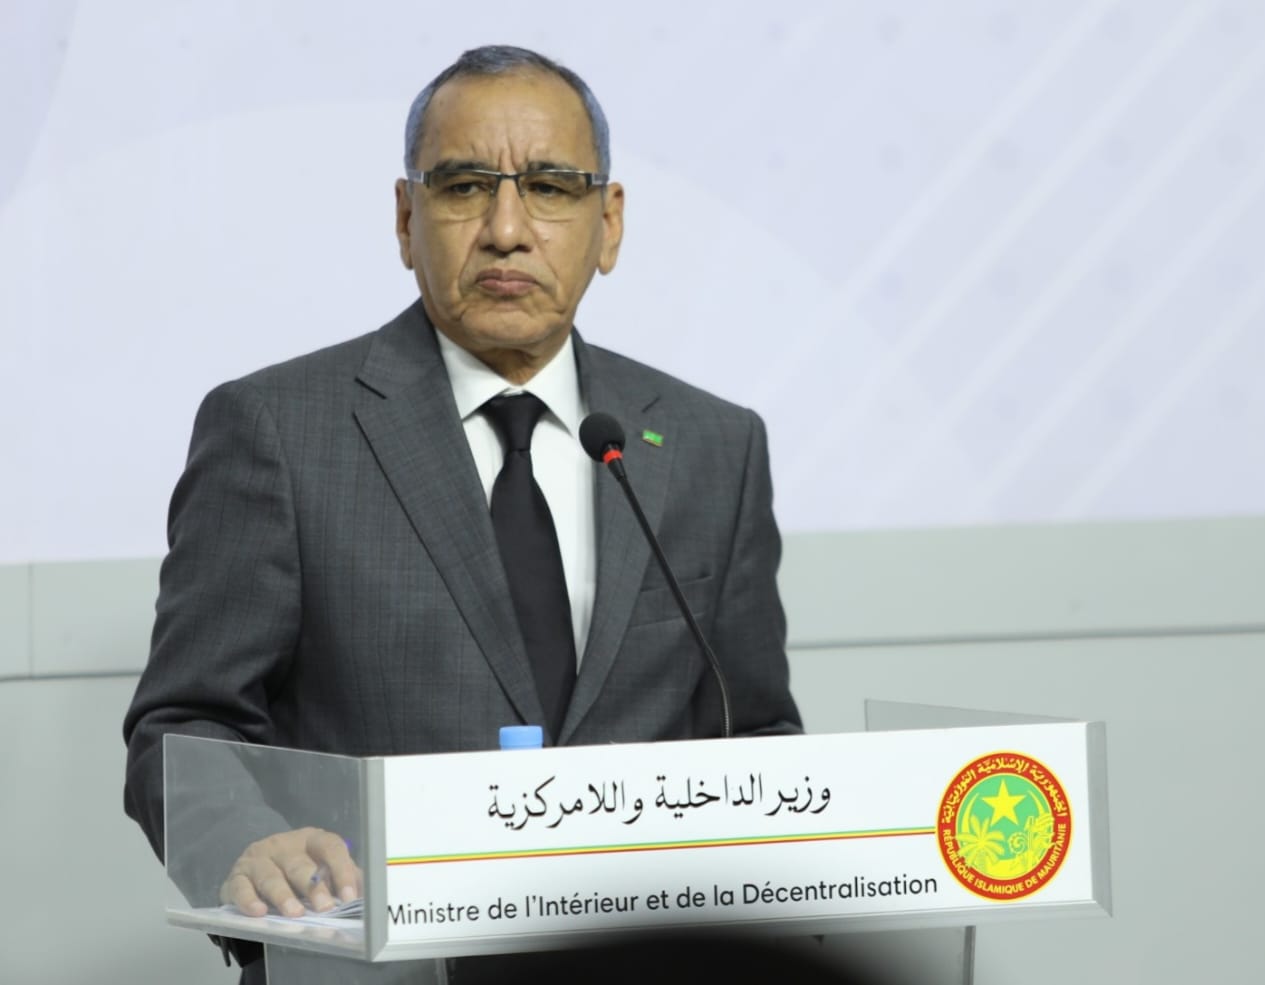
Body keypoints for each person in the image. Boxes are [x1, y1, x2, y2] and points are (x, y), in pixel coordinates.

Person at [123, 44, 801, 983]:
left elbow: (756, 736)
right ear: (407, 220)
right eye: (465, 187)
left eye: (551, 188)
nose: (506, 229)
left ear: (608, 223)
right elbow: (184, 725)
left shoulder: (710, 445)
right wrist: (246, 846)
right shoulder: (277, 429)